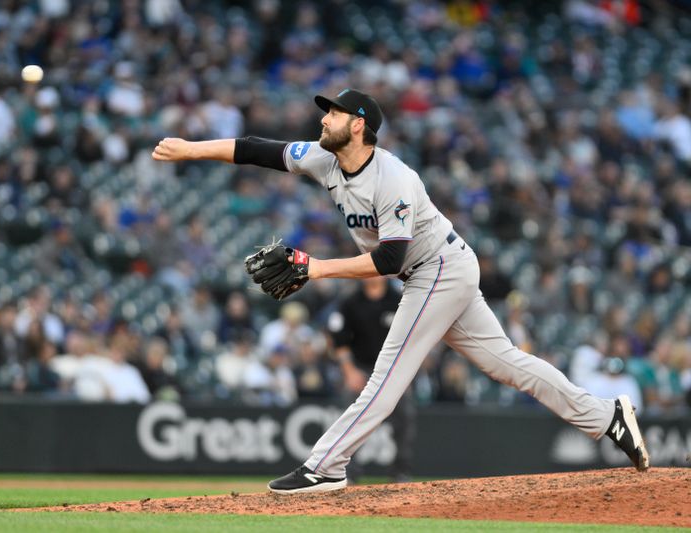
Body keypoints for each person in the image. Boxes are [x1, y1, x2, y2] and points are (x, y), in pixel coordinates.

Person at [152, 88, 650, 494]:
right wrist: (191, 149)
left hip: (439, 269)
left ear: (360, 126)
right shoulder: (325, 160)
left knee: (386, 379)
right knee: (507, 364)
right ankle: (608, 417)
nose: (324, 118)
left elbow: (389, 259)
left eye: (335, 113)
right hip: (434, 271)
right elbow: (257, 149)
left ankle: (325, 465)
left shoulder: (392, 179)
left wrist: (316, 268)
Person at [328, 277, 415, 483]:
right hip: (360, 370)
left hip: (394, 371)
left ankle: (400, 472)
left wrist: (406, 373)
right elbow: (338, 339)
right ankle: (348, 473)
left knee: (404, 420)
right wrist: (349, 372)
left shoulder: (399, 300)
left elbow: (412, 339)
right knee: (350, 421)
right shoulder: (350, 301)